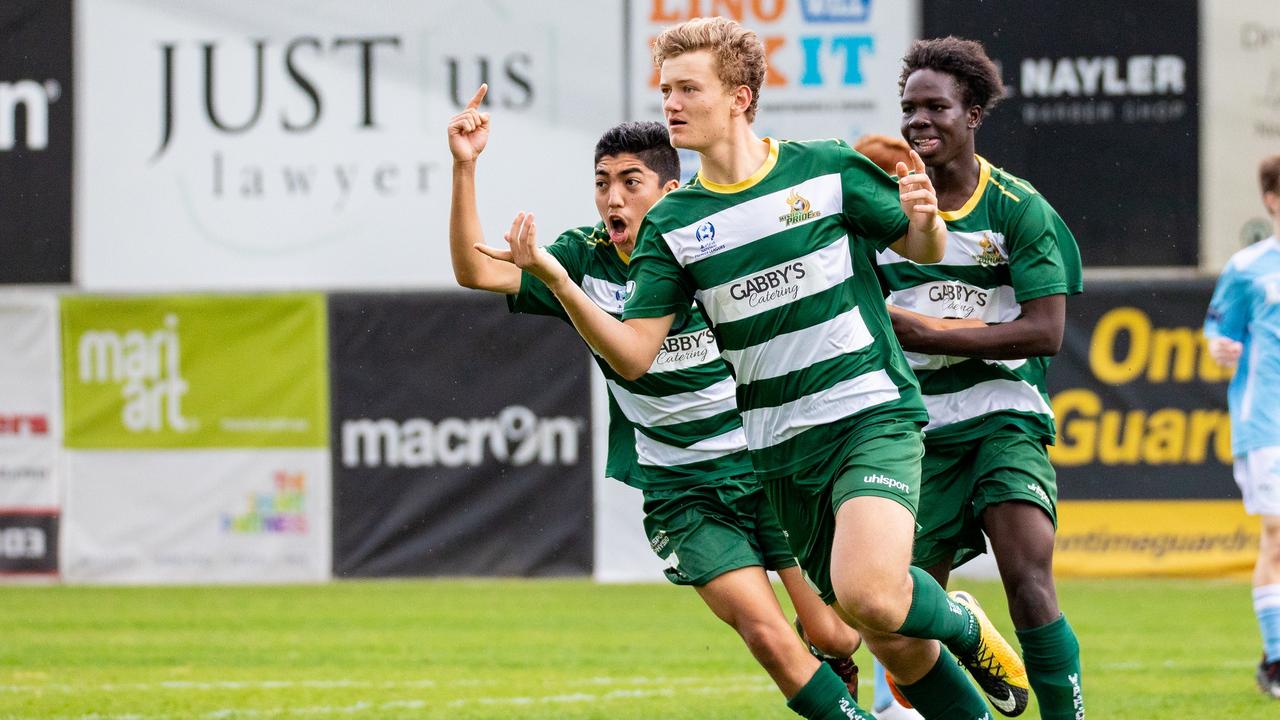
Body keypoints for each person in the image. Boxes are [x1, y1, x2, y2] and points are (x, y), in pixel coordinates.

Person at [476, 18, 1026, 720]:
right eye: (666, 89)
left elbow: (919, 248)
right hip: (778, 450)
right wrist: (558, 280)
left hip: (867, 414)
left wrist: (926, 222)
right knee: (891, 643)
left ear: (739, 98)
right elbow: (634, 353)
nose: (671, 104)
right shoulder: (673, 224)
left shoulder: (823, 168)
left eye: (688, 89)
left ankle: (962, 623)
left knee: (872, 597)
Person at [447, 85, 867, 718]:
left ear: (669, 191)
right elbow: (475, 271)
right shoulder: (581, 261)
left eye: (631, 182)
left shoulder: (711, 246)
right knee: (769, 637)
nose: (613, 197)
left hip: (766, 466)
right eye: (602, 182)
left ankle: (887, 659)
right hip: (683, 491)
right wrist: (465, 165)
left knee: (836, 634)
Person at [873, 37, 1085, 720]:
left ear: (973, 115)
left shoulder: (1018, 209)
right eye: (910, 108)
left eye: (936, 106)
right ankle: (938, 671)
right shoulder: (877, 210)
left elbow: (1044, 331)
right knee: (900, 610)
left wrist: (934, 334)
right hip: (912, 428)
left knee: (1027, 573)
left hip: (1002, 414)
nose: (919, 121)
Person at [1205, 153, 1280, 700]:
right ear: (1272, 200)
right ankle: (1277, 661)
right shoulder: (1248, 268)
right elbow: (1217, 337)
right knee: (1277, 535)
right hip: (1268, 420)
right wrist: (1222, 348)